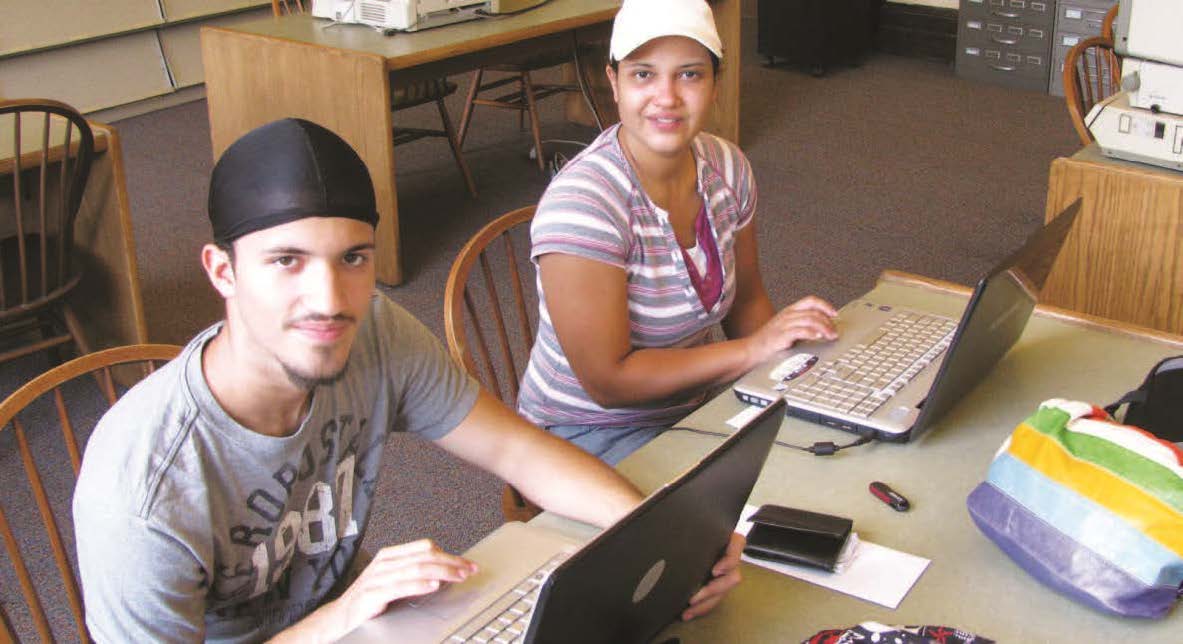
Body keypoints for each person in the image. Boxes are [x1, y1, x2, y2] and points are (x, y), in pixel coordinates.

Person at [72, 118, 743, 642]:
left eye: (352, 258)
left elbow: (515, 451)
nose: (330, 299)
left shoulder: (373, 334)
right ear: (222, 272)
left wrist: (666, 537)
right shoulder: (141, 487)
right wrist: (340, 619)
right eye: (286, 261)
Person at [518, 0, 839, 464]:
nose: (666, 97)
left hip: (687, 407)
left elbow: (747, 302)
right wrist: (753, 351)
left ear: (715, 84)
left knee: (821, 459)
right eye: (643, 74)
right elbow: (609, 383)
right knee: (757, 510)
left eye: (689, 74)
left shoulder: (727, 166)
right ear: (614, 83)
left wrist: (791, 372)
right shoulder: (584, 204)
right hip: (585, 430)